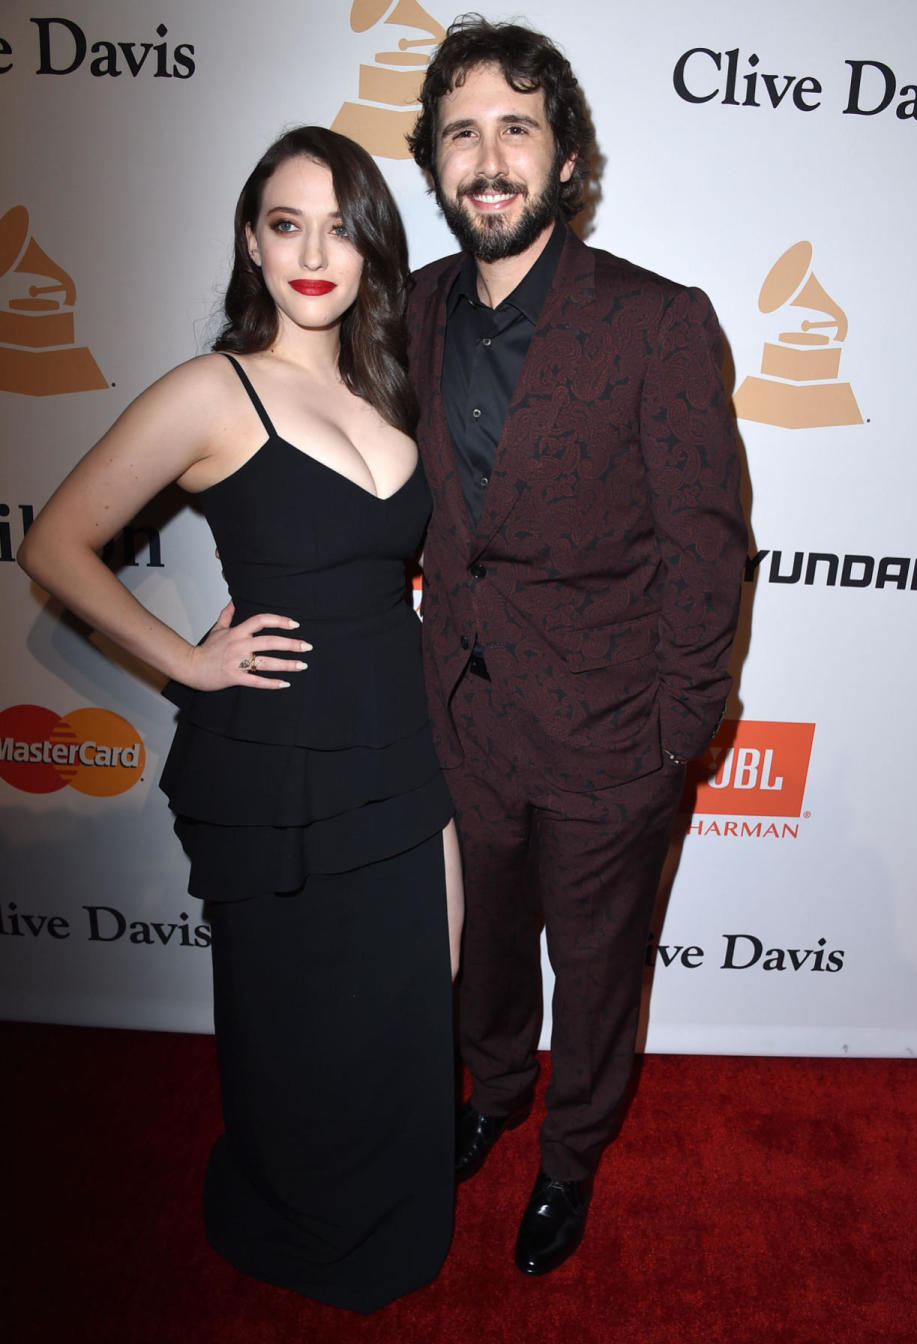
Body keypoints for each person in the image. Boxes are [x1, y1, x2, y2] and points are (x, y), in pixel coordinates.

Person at [18, 126, 463, 1313]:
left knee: (412, 991)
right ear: (250, 244)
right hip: (278, 762)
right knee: (297, 1016)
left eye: (339, 225)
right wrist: (189, 665)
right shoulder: (210, 389)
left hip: (400, 733)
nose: (312, 251)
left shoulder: (387, 387)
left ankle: (397, 1205)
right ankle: (302, 1217)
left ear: (371, 247)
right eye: (284, 223)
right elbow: (54, 544)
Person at [406, 17, 747, 1276]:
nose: (486, 158)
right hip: (460, 721)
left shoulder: (657, 321)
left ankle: (571, 1154)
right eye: (460, 133)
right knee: (482, 946)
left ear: (562, 160)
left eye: (514, 129)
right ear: (434, 163)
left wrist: (672, 738)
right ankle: (493, 1091)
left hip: (612, 734)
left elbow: (708, 549)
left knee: (596, 972)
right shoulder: (417, 307)